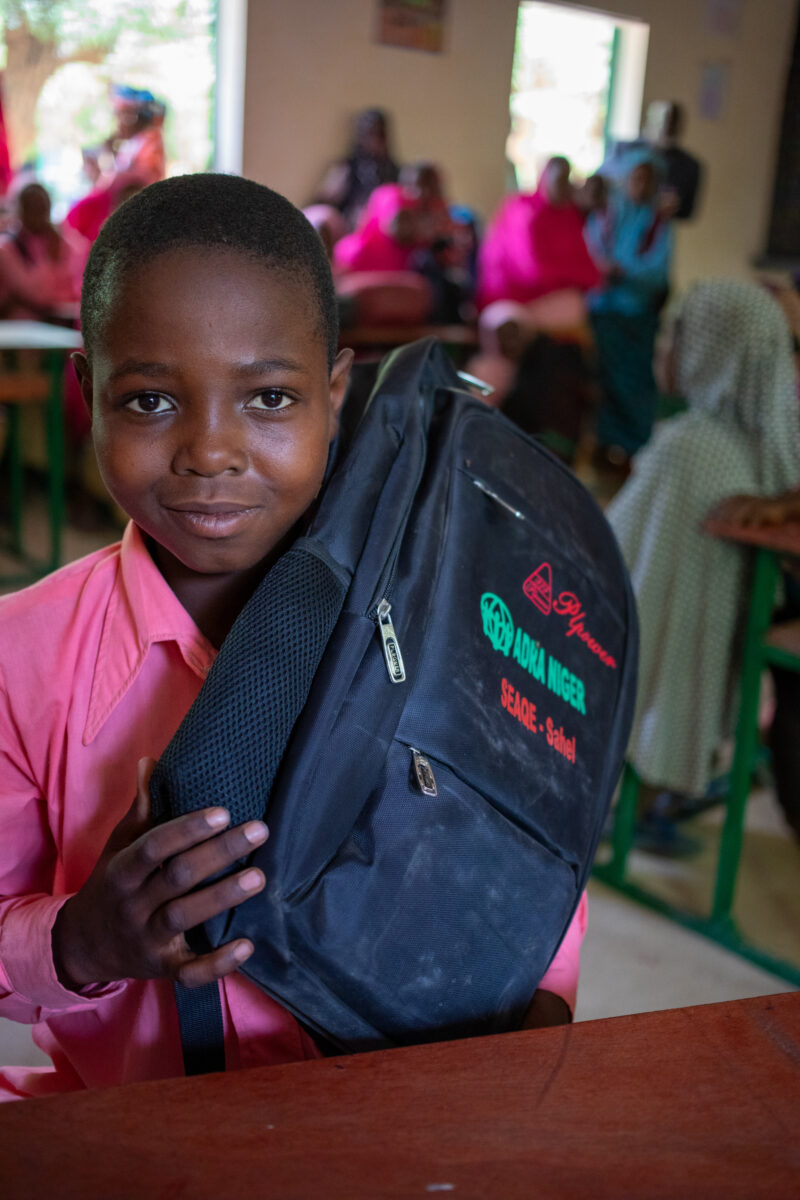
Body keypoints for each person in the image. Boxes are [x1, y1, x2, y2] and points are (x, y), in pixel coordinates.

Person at [0, 173, 587, 1101]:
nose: (211, 452)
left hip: (399, 1122)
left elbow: (529, 873)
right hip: (138, 1135)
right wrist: (81, 940)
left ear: (335, 390)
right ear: (90, 392)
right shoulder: (19, 659)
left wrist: (526, 1030)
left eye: (269, 400)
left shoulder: (446, 622)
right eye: (151, 401)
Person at [606, 279, 800, 846]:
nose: (662, 349)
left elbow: (613, 545)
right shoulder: (765, 444)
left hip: (654, 653)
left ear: (714, 350)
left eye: (675, 335)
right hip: (704, 659)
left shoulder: (691, 446)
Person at [585, 148, 673, 463]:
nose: (640, 186)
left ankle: (635, 444)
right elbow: (589, 252)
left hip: (637, 313)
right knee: (605, 379)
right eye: (635, 178)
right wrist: (603, 269)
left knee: (633, 380)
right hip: (604, 310)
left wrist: (625, 272)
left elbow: (658, 271)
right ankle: (607, 443)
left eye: (647, 180)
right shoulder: (608, 216)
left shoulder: (656, 223)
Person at [476, 156, 601, 313]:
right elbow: (532, 271)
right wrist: (580, 276)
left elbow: (584, 263)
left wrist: (589, 275)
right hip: (509, 298)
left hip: (551, 295)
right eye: (558, 178)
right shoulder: (524, 210)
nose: (563, 185)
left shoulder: (568, 215)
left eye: (566, 179)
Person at [0, 181, 87, 320]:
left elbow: (79, 286)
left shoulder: (65, 243)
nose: (37, 215)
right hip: (20, 327)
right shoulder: (7, 249)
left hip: (60, 321)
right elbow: (34, 294)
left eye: (41, 208)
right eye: (31, 208)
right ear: (19, 210)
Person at [313, 108, 400, 229]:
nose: (375, 140)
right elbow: (326, 198)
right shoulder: (346, 167)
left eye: (380, 134)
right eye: (370, 134)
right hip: (350, 228)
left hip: (383, 229)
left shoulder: (396, 171)